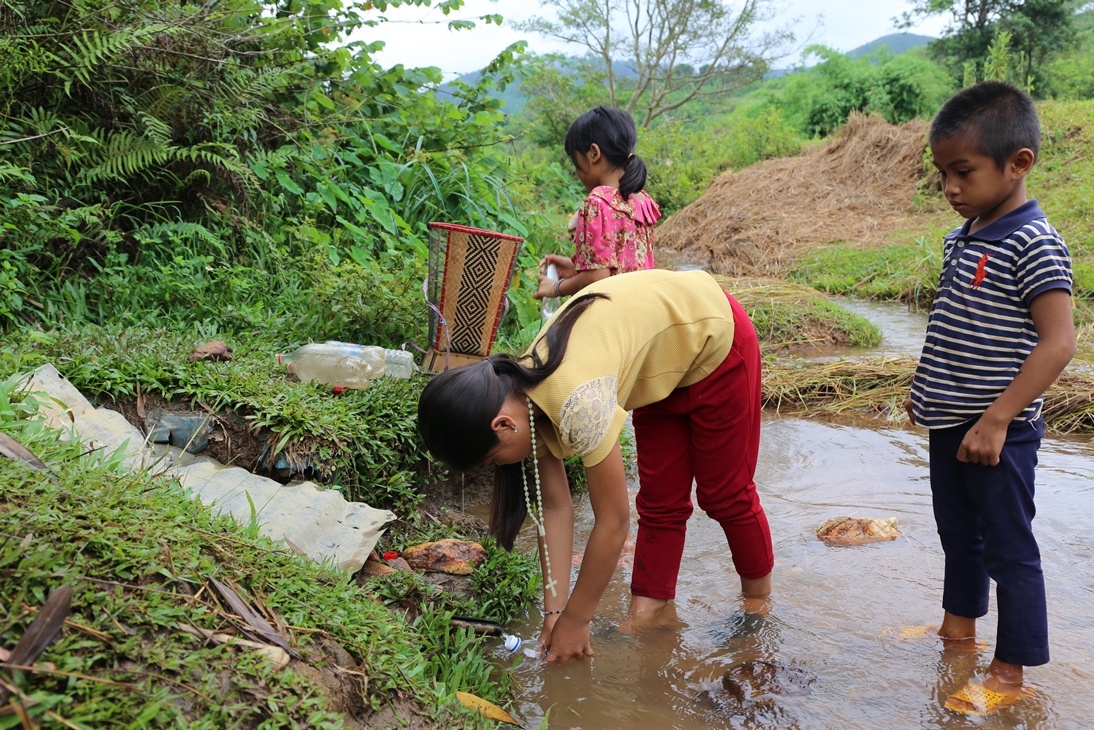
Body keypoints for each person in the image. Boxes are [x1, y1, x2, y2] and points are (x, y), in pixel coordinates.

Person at [419, 269, 774, 664]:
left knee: (725, 495)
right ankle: (651, 612)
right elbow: (556, 509)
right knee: (660, 502)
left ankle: (758, 601)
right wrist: (556, 613)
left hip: (713, 339)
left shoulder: (580, 404)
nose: (498, 467)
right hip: (659, 365)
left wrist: (578, 618)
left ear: (503, 426)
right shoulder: (518, 396)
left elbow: (612, 523)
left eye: (491, 460)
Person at [905, 81, 1076, 716]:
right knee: (958, 536)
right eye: (943, 173)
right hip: (950, 424)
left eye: (964, 172)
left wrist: (1000, 418)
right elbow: (954, 327)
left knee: (1009, 548)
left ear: (1018, 163)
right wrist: (925, 394)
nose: (950, 187)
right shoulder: (965, 236)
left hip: (999, 432)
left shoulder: (1033, 242)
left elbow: (1058, 344)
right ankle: (959, 631)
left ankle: (1009, 671)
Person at [534, 106, 661, 303]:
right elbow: (619, 266)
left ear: (593, 153)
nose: (577, 172)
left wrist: (555, 287)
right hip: (642, 308)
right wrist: (576, 268)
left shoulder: (597, 203)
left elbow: (597, 278)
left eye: (576, 161)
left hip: (612, 316)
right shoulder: (642, 201)